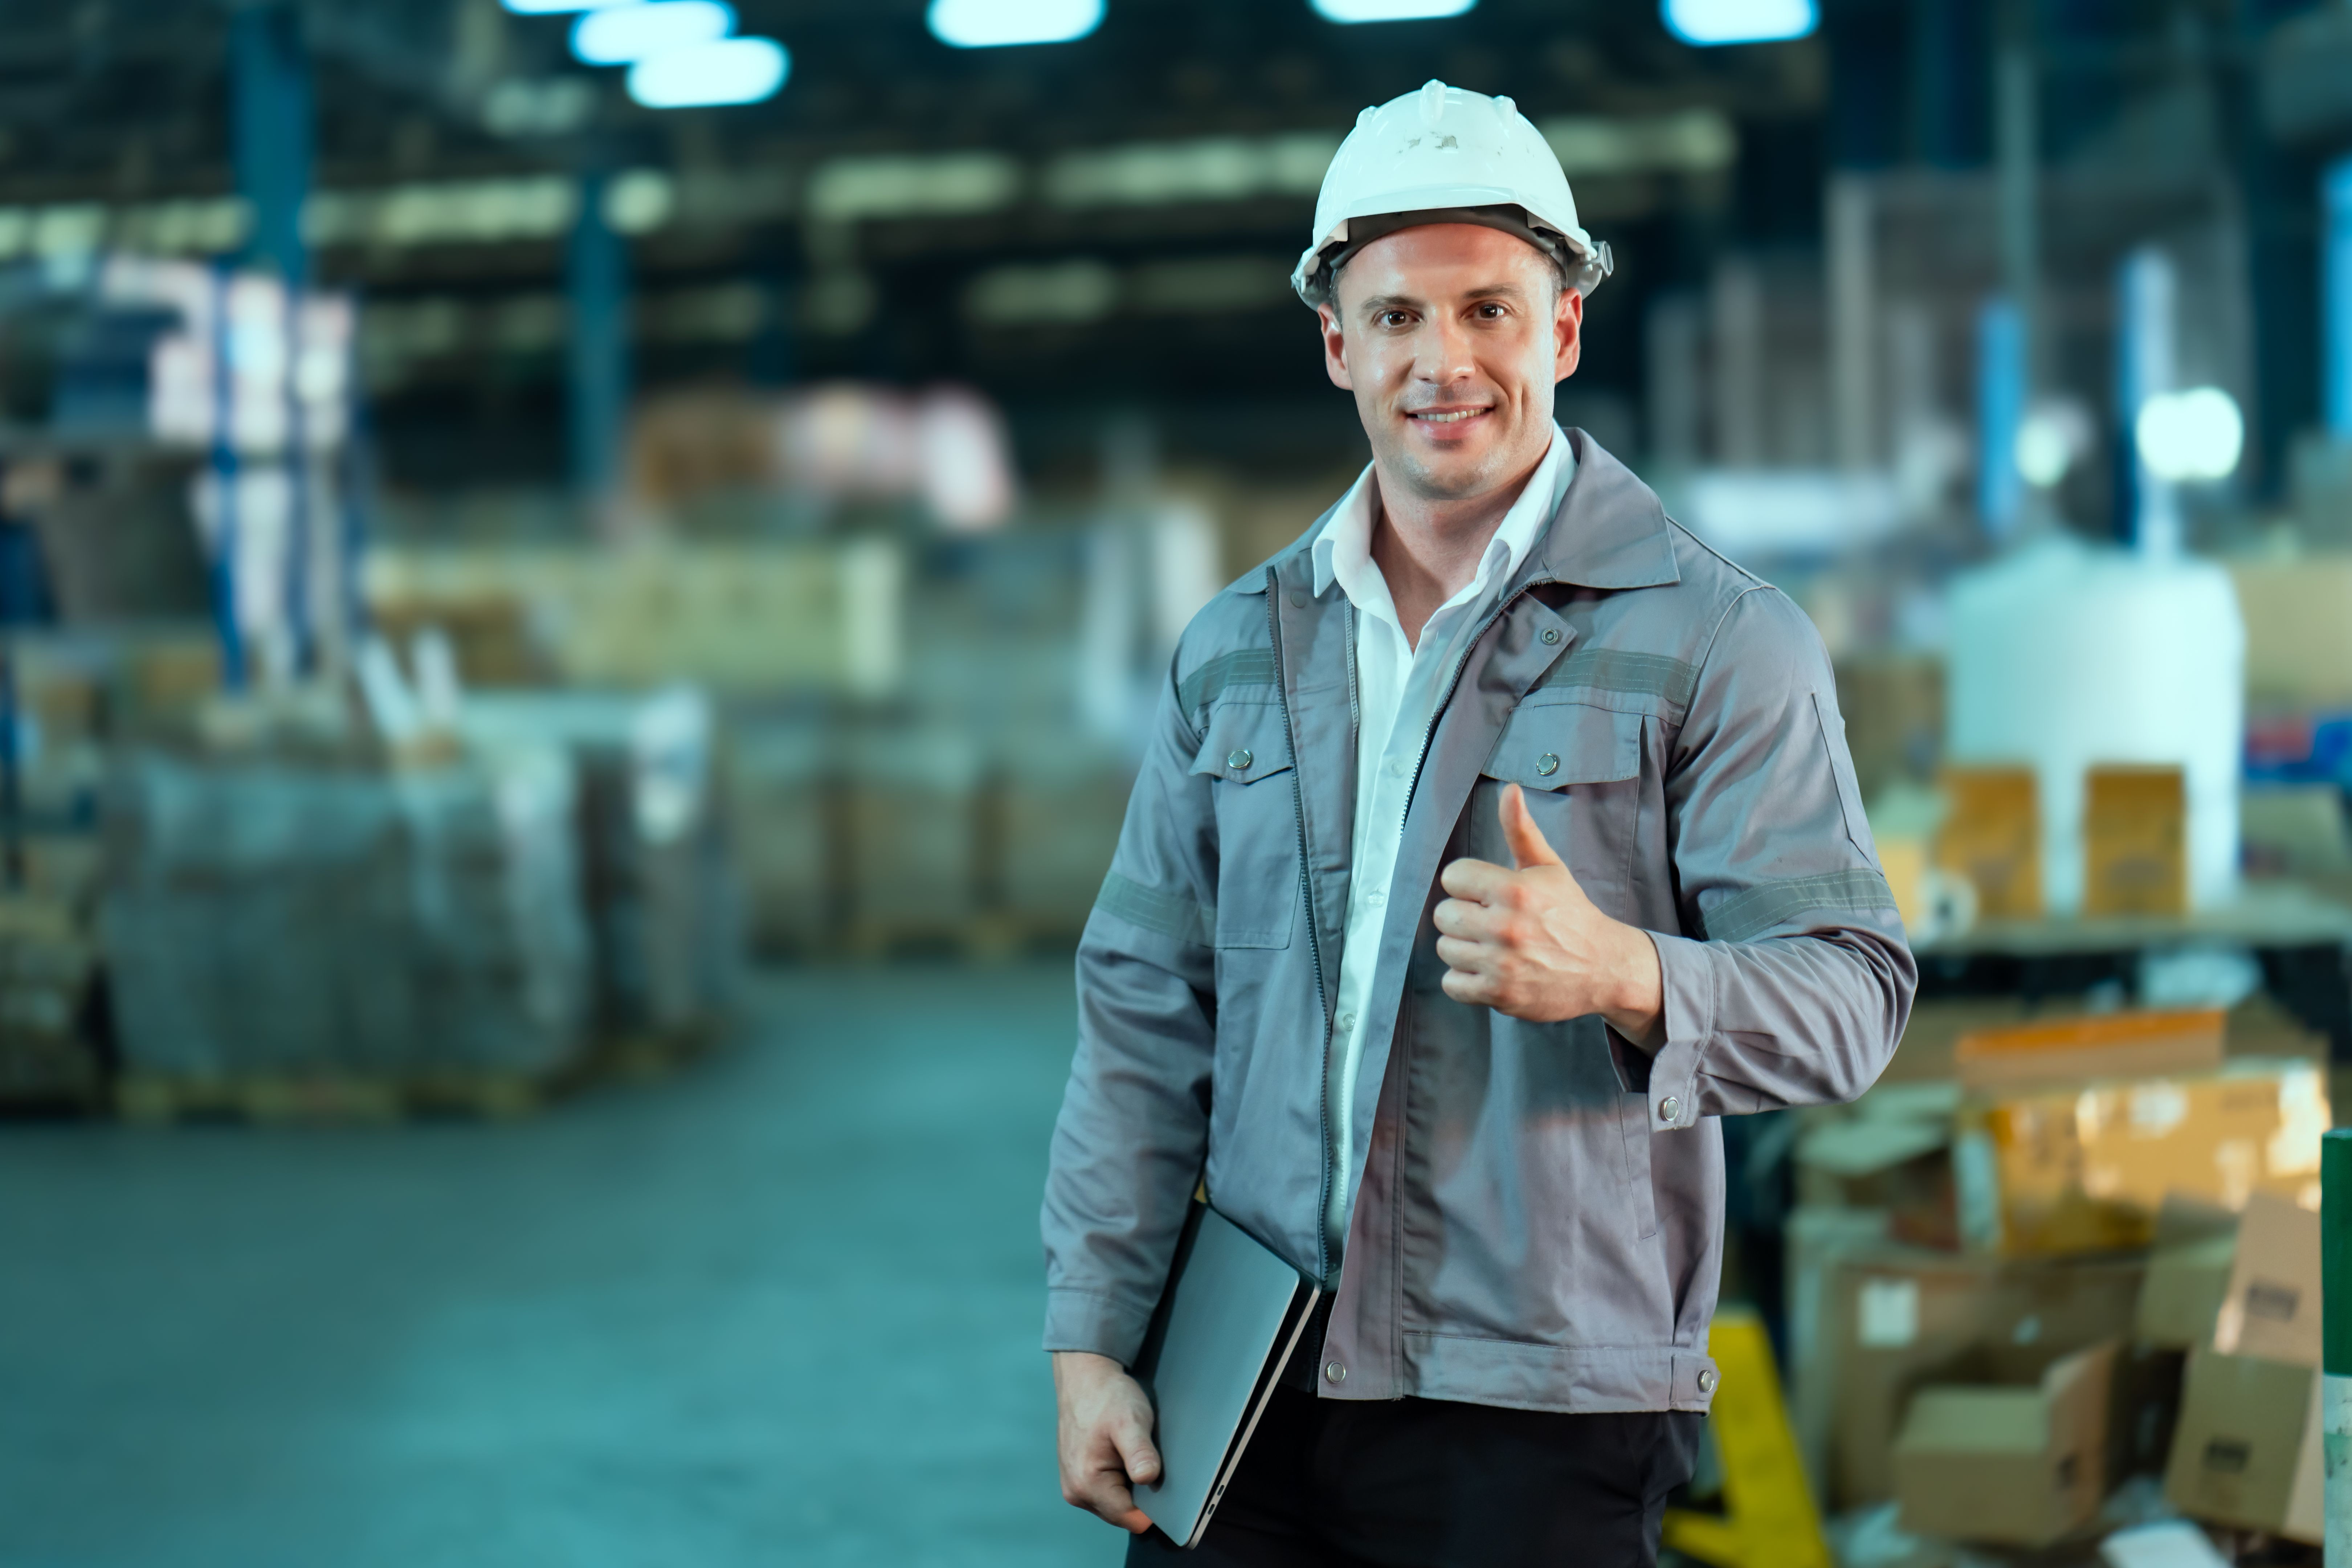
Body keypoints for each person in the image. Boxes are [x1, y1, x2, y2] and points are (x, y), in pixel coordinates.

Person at [1041, 80, 1915, 1567]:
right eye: (1396, 318)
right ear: (1338, 345)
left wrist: (1627, 974)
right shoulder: (1241, 646)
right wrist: (1092, 1335)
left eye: (1489, 312)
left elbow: (1854, 996)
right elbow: (1143, 1011)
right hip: (1245, 1378)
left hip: (1544, 1403)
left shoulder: (1717, 642)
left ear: (1563, 330)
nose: (1443, 361)